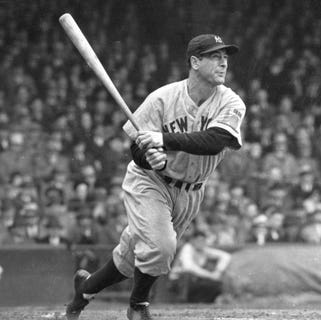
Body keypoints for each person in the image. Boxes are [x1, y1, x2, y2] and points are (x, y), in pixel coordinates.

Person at [65, 34, 245, 320]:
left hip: (191, 191)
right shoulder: (162, 98)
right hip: (150, 182)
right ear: (194, 62)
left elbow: (215, 140)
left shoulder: (231, 102)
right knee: (161, 248)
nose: (223, 62)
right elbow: (136, 148)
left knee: (130, 258)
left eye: (225, 57)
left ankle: (84, 290)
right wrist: (149, 158)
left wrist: (163, 141)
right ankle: (138, 305)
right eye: (215, 56)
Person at [169, 230, 232, 303]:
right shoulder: (187, 248)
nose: (201, 243)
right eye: (199, 240)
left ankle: (203, 303)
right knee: (187, 275)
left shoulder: (204, 250)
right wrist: (210, 275)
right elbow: (189, 267)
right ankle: (182, 301)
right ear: (193, 240)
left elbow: (226, 256)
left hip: (195, 280)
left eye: (203, 240)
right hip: (178, 281)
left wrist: (218, 271)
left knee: (217, 284)